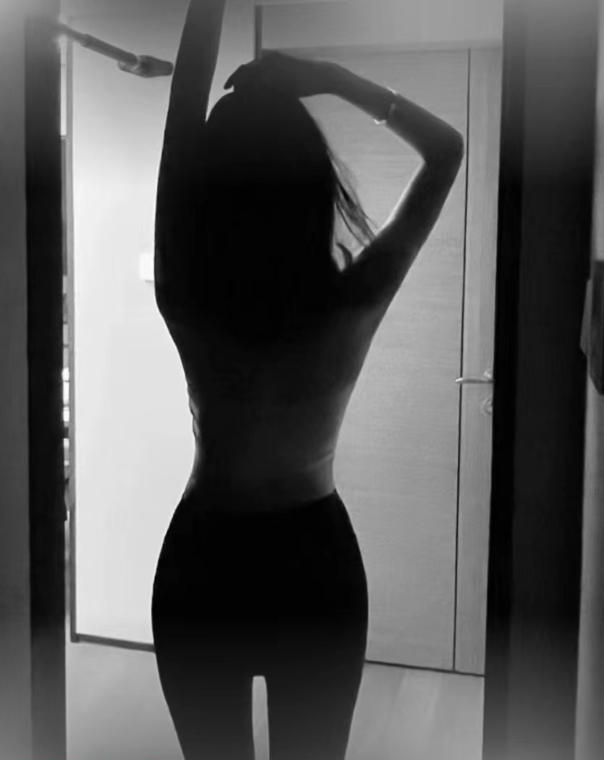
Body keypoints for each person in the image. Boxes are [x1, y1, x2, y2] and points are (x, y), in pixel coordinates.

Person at [151, 2, 464, 759]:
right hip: (314, 564)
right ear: (316, 187)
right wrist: (328, 78)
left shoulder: (183, 287)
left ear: (204, 198)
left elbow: (183, 111)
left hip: (205, 560)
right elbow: (446, 149)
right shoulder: (352, 300)